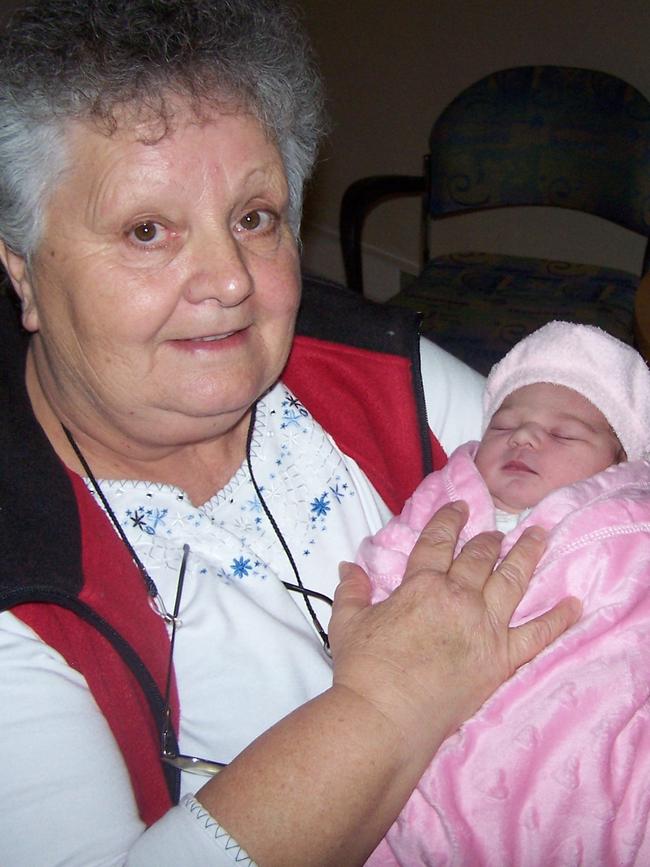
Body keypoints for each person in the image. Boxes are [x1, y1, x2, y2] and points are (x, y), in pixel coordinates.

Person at [0, 2, 580, 864]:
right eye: (148, 231)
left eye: (254, 217)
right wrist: (388, 708)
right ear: (24, 273)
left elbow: (604, 493)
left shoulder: (367, 366)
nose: (231, 281)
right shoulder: (23, 578)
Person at [359, 321, 650, 866]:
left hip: (587, 724)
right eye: (505, 425)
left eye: (563, 435)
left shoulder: (628, 526)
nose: (522, 438)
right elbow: (386, 568)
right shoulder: (446, 503)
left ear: (621, 467)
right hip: (441, 726)